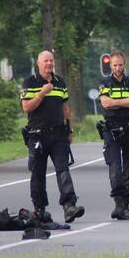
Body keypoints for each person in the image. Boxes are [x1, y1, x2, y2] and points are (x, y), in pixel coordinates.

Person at [20, 50, 85, 223]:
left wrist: (70, 130)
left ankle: (69, 206)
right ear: (38, 63)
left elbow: (65, 108)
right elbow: (26, 107)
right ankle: (39, 209)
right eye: (45, 61)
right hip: (37, 135)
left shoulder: (60, 82)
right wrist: (42, 93)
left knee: (63, 169)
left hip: (58, 134)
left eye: (51, 61)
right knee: (38, 173)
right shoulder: (30, 82)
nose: (49, 64)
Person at [98, 52, 129, 220]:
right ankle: (119, 205)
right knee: (115, 167)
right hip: (111, 130)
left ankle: (126, 204)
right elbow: (105, 103)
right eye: (115, 65)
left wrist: (115, 103)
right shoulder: (105, 82)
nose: (118, 68)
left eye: (120, 65)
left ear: (125, 64)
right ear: (111, 66)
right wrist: (125, 102)